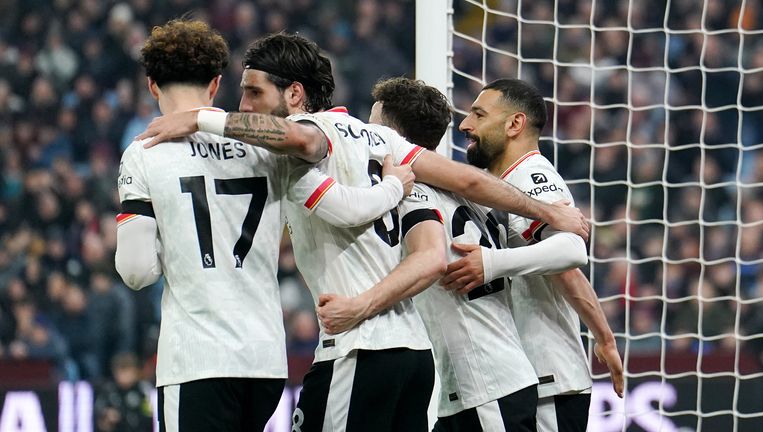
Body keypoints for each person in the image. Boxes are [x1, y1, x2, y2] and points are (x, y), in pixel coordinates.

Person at [136, 33, 588, 431]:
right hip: (416, 355)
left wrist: (200, 118)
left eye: (254, 93)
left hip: (358, 347)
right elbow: (467, 181)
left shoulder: (305, 138)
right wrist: (548, 211)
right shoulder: (384, 141)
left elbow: (316, 160)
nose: (243, 107)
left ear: (295, 95)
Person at [115, 21, 414, 432]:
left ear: (151, 86)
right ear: (217, 83)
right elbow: (342, 203)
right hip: (265, 361)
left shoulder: (144, 152)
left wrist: (173, 239)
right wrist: (394, 186)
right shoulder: (265, 146)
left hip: (197, 358)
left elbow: (136, 271)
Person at [316, 77, 589, 431]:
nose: (364, 135)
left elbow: (429, 260)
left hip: (487, 383)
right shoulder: (475, 195)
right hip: (472, 383)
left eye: (372, 125)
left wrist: (359, 306)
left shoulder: (411, 193)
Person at [446, 78, 624, 431]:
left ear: (514, 124)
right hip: (525, 375)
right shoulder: (498, 181)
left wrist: (490, 264)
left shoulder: (532, 174)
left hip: (547, 377)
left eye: (478, 115)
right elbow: (564, 273)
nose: (465, 125)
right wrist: (604, 337)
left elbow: (570, 251)